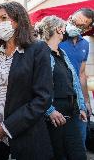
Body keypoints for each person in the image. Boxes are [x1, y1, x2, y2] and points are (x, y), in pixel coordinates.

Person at [0, 1, 53, 160]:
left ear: (19, 20)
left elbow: (43, 97)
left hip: (26, 137)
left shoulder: (38, 49)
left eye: (4, 18)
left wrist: (7, 127)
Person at [35, 15, 87, 160]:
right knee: (59, 155)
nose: (66, 31)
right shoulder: (41, 52)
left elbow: (74, 80)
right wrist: (50, 110)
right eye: (64, 28)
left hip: (72, 112)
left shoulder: (62, 52)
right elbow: (35, 87)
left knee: (78, 154)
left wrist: (81, 105)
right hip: (54, 116)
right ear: (59, 29)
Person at [59, 8, 94, 146]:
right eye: (74, 21)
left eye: (81, 25)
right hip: (60, 98)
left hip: (78, 101)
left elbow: (82, 74)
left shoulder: (85, 44)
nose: (75, 26)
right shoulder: (57, 38)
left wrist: (86, 102)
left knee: (79, 142)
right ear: (70, 18)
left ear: (86, 28)